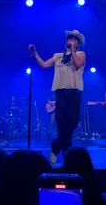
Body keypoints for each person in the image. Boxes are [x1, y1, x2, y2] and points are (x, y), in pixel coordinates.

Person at [29, 29, 86, 164]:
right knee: (61, 122)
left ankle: (56, 145)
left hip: (75, 91)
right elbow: (44, 65)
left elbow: (78, 65)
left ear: (78, 43)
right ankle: (67, 154)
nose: (71, 41)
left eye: (74, 39)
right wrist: (35, 53)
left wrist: (72, 51)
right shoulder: (58, 56)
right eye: (69, 39)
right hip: (60, 92)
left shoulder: (81, 54)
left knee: (73, 120)